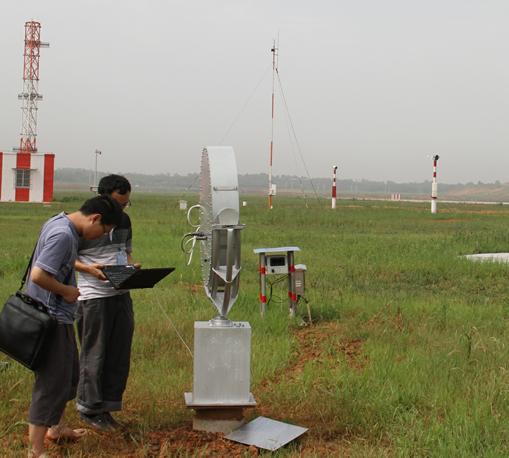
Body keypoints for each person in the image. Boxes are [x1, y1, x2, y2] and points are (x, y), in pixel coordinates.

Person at [27, 195, 123, 458]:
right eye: (103, 230)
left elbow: (58, 260)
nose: (99, 236)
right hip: (51, 318)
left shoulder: (61, 223)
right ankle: (36, 451)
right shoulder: (64, 235)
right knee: (51, 384)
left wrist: (88, 269)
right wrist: (66, 290)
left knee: (69, 376)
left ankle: (56, 428)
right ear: (95, 218)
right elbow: (38, 275)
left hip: (61, 316)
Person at [75, 174, 140, 431]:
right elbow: (66, 257)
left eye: (125, 204)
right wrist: (90, 270)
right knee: (95, 354)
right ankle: (89, 409)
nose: (121, 210)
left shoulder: (124, 220)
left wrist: (131, 268)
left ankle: (108, 407)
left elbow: (126, 251)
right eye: (117, 204)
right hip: (93, 296)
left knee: (119, 354)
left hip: (121, 293)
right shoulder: (84, 223)